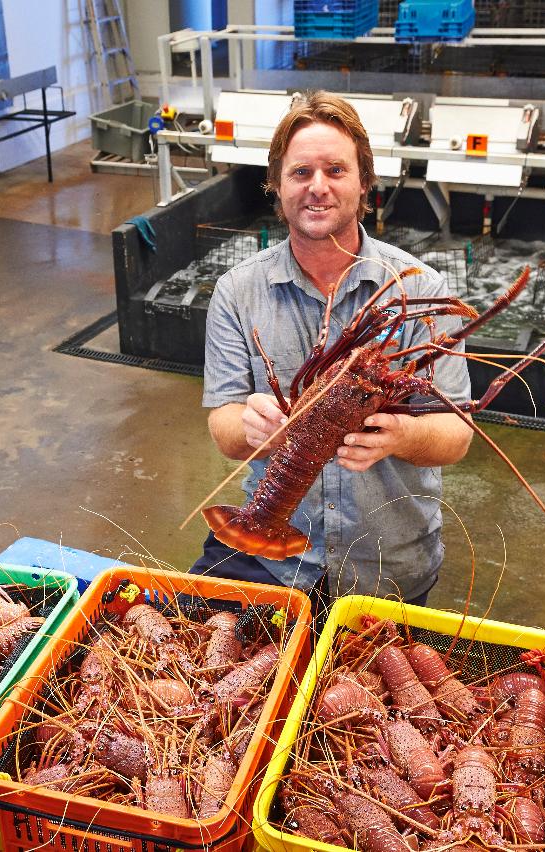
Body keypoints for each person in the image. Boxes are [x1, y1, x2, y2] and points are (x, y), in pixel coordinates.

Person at [189, 92, 473, 608]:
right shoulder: (237, 291)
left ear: (364, 182)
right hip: (271, 560)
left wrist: (402, 434)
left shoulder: (420, 289)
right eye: (300, 172)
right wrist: (252, 427)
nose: (317, 186)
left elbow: (456, 435)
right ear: (276, 185)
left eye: (336, 170)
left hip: (386, 565)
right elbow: (224, 426)